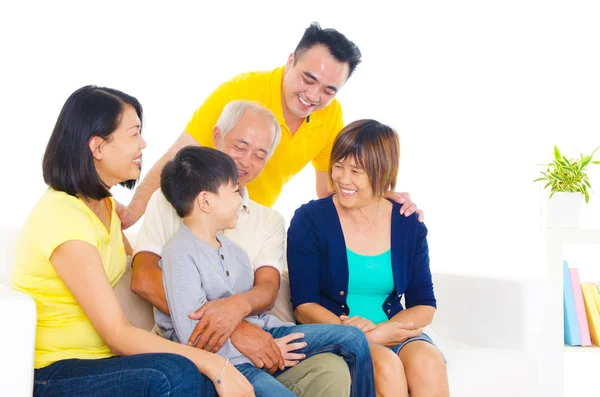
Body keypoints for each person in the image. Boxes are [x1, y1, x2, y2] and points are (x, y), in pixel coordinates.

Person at [11, 86, 253, 397]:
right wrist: (215, 364)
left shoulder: (105, 207)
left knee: (193, 373)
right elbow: (117, 334)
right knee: (174, 374)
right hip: (53, 373)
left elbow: (141, 264)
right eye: (133, 133)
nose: (143, 144)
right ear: (97, 146)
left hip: (99, 363)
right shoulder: (63, 216)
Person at [131, 100, 353, 397]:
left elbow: (267, 289)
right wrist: (234, 329)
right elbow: (144, 278)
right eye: (240, 145)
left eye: (260, 155)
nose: (246, 161)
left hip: (259, 336)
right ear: (217, 135)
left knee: (341, 358)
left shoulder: (266, 221)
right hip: (199, 353)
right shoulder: (170, 203)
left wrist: (238, 311)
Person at [117, 22, 420, 229]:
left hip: (248, 223)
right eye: (308, 79)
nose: (314, 96)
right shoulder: (239, 90)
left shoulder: (332, 115)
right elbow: (177, 155)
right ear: (290, 61)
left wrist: (382, 202)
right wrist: (132, 212)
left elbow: (329, 190)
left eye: (329, 90)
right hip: (194, 214)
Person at [157, 145, 376, 397]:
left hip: (266, 334)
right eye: (234, 192)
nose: (241, 200)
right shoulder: (180, 253)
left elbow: (255, 317)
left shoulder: (235, 252)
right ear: (206, 201)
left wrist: (270, 341)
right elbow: (195, 338)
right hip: (231, 364)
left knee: (354, 338)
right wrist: (264, 350)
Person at [286, 119, 450, 397]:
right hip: (335, 332)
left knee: (428, 361)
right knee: (385, 365)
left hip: (391, 328)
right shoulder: (310, 219)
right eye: (338, 166)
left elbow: (424, 304)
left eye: (356, 171)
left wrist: (384, 330)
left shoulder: (408, 223)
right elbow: (304, 306)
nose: (343, 179)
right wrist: (363, 337)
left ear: (382, 173)